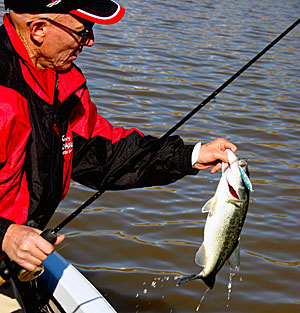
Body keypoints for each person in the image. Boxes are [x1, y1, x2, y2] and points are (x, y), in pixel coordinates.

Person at [0, 0, 237, 276]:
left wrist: (191, 157)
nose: (90, 41)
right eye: (82, 30)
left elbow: (103, 155)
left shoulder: (61, 82)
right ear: (39, 29)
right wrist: (6, 234)